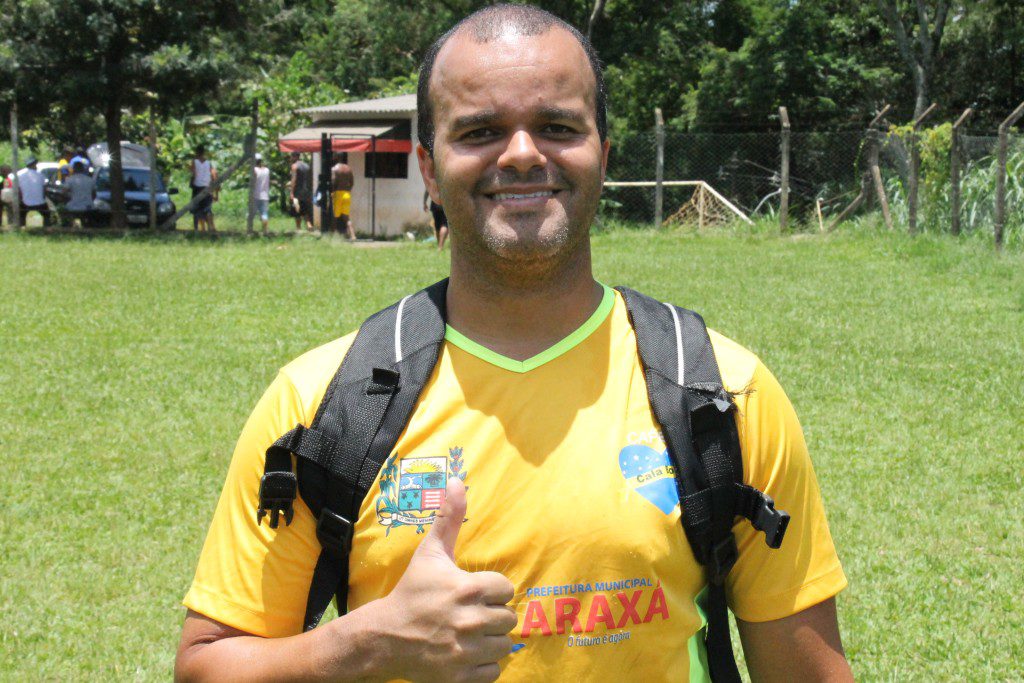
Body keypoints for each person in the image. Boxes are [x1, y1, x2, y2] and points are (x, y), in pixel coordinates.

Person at [176, 6, 852, 682]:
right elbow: (206, 667)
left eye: (558, 127)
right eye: (480, 131)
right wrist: (364, 644)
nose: (523, 153)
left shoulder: (722, 392)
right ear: (429, 168)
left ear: (603, 156)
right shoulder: (322, 402)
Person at [189, 145, 217, 233]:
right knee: (207, 209)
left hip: (197, 188)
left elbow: (194, 174)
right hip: (207, 188)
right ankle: (210, 227)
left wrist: (192, 182)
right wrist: (214, 190)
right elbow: (214, 175)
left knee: (196, 209)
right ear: (203, 152)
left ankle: (198, 229)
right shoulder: (208, 163)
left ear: (196, 152)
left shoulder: (194, 161)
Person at [16, 157, 50, 228]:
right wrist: (43, 198)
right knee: (47, 214)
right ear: (33, 165)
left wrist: (20, 199)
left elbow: (19, 191)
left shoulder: (20, 176)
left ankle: (22, 226)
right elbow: (44, 189)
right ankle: (46, 227)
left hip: (25, 203)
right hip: (40, 202)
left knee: (21, 214)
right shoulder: (41, 175)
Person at [330, 152, 357, 240]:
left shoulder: (334, 168)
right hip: (347, 194)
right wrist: (348, 190)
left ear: (337, 157)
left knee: (335, 216)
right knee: (346, 217)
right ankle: (353, 235)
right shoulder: (348, 169)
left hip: (338, 193)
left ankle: (333, 236)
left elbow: (333, 181)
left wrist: (332, 192)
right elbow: (352, 182)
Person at [62, 160, 95, 228]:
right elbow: (94, 194)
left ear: (74, 169)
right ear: (83, 169)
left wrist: (68, 197)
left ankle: (71, 226)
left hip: (73, 206)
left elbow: (64, 193)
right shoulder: (90, 180)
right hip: (88, 207)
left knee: (65, 209)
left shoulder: (70, 179)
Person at [289, 152, 314, 232]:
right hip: (306, 191)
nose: (291, 158)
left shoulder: (294, 166)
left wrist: (291, 192)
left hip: (297, 191)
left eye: (291, 157)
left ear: (295, 157)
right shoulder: (306, 166)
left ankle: (298, 228)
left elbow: (294, 179)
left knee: (296, 209)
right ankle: (309, 225)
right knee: (305, 209)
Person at [252, 153, 272, 235]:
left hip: (255, 195)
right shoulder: (267, 170)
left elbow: (253, 182)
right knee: (264, 214)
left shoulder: (254, 170)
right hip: (265, 195)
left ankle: (250, 229)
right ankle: (265, 230)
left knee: (251, 214)